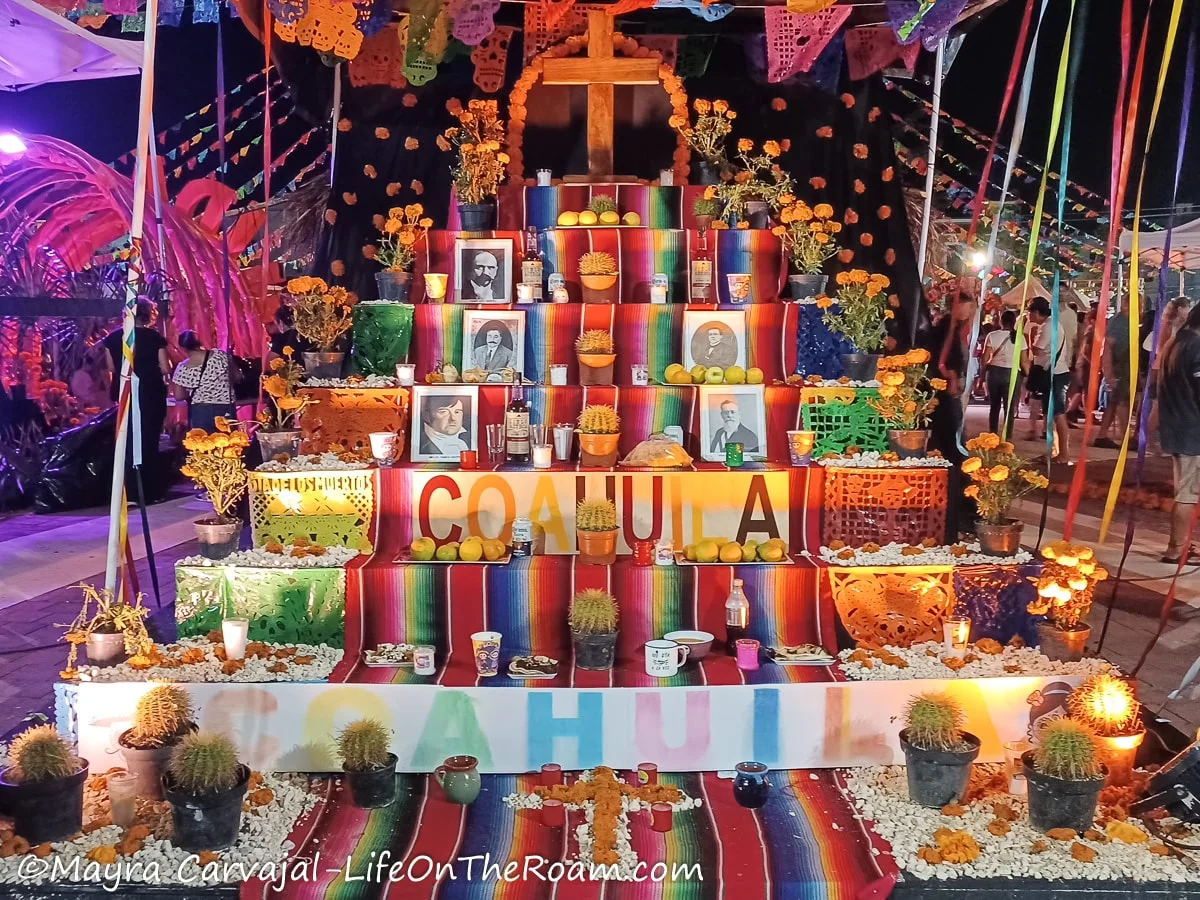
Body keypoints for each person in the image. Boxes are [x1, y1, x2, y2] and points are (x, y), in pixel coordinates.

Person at [100, 299, 170, 467]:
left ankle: (128, 471)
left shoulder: (114, 338)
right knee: (149, 433)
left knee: (127, 432)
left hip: (125, 389)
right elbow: (166, 368)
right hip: (150, 390)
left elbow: (111, 367)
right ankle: (147, 470)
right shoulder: (155, 337)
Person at [1156, 301, 1200, 563]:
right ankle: (1177, 548)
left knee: (1187, 489)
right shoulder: (1194, 347)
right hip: (1191, 430)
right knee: (1188, 493)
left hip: (1177, 425)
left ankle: (1181, 544)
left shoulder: (1176, 341)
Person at [1024, 297, 1071, 463]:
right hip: (1054, 373)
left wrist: (1030, 336)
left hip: (1054, 375)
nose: (1027, 315)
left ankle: (1063, 453)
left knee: (1057, 414)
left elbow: (1036, 349)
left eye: (1029, 311)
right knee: (1051, 414)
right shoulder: (1052, 324)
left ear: (1036, 312)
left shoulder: (1047, 327)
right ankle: (1054, 451)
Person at [172, 331, 238, 432]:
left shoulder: (183, 368)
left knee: (203, 443)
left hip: (201, 410)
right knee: (228, 443)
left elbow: (179, 396)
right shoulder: (220, 356)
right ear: (199, 342)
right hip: (226, 406)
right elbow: (236, 376)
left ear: (182, 347)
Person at [1094, 297, 1132, 448]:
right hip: (1119, 367)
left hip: (1124, 365)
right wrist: (1108, 372)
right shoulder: (1119, 322)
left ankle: (1102, 435)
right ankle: (1125, 437)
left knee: (1114, 402)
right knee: (1122, 401)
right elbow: (1108, 348)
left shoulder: (1130, 321)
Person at [982, 310, 1021, 435]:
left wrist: (982, 371)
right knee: (1009, 407)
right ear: (1014, 322)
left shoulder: (992, 335)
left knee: (994, 406)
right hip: (1012, 372)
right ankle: (1007, 434)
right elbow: (1025, 359)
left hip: (994, 372)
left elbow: (984, 357)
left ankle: (993, 432)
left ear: (1001, 321)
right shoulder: (1019, 337)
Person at [69, 346, 111, 411]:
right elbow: (92, 389)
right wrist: (99, 380)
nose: (91, 369)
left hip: (79, 398)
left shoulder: (76, 373)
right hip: (86, 398)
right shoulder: (84, 375)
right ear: (86, 364)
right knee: (106, 396)